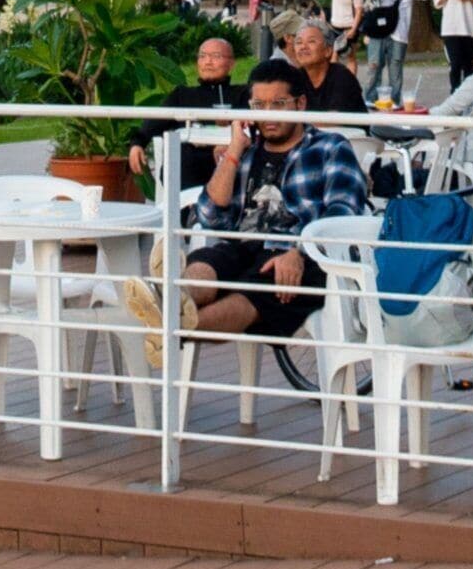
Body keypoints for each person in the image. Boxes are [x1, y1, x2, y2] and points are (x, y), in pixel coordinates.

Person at [127, 63, 364, 354]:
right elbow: (209, 217)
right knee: (206, 262)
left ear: (300, 104)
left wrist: (300, 250)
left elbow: (343, 213)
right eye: (258, 105)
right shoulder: (248, 151)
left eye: (278, 104)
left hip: (298, 257)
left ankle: (166, 325)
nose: (268, 114)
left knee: (256, 291)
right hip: (242, 246)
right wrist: (234, 152)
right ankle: (168, 305)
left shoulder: (330, 148)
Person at [129, 30, 249, 197]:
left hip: (229, 158)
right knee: (182, 158)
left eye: (216, 56)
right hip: (190, 164)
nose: (208, 62)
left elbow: (250, 128)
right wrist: (137, 144)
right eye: (202, 56)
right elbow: (154, 122)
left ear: (231, 63)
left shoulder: (242, 93)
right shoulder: (182, 95)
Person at [356, 0, 420, 106]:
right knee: (374, 65)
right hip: (376, 30)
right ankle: (370, 99)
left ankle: (394, 102)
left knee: (395, 68)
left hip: (399, 32)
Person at [277, 22, 370, 118]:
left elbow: (332, 120)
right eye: (299, 42)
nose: (303, 47)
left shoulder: (341, 77)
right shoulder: (295, 78)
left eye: (311, 41)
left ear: (328, 51)